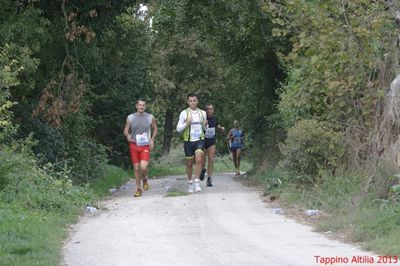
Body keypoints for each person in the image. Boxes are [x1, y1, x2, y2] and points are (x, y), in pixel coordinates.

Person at [123, 98, 158, 197]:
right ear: (136, 106)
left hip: (145, 145)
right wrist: (127, 135)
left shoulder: (150, 117)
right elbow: (126, 129)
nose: (141, 107)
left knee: (143, 166)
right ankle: (138, 189)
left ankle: (145, 179)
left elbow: (155, 128)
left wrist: (152, 139)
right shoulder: (130, 117)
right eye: (140, 105)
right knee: (136, 167)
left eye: (143, 105)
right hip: (134, 144)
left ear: (145, 107)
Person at [176, 92, 207, 193]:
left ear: (197, 101)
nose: (193, 102)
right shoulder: (184, 113)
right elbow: (178, 129)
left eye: (194, 100)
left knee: (199, 159)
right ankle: (190, 182)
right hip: (188, 140)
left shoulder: (203, 113)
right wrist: (187, 123)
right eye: (190, 101)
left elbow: (205, 128)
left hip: (199, 139)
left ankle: (197, 181)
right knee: (189, 163)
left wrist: (205, 125)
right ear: (188, 102)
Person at [199, 104, 225, 187]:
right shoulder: (202, 118)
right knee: (202, 160)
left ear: (213, 110)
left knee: (211, 159)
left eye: (210, 109)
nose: (208, 110)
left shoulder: (214, 118)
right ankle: (203, 170)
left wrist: (221, 128)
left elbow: (216, 125)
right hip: (203, 141)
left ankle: (209, 179)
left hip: (211, 141)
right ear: (205, 110)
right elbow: (197, 127)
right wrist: (203, 124)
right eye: (207, 109)